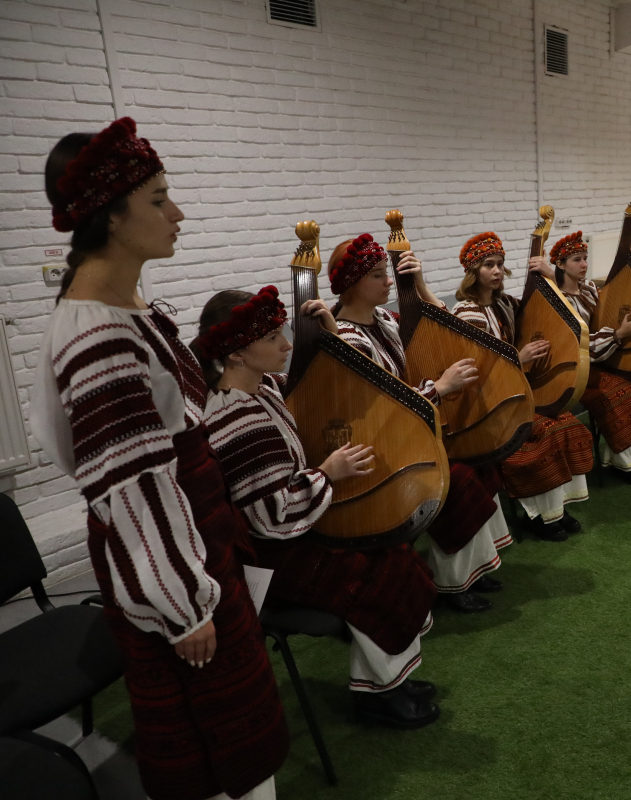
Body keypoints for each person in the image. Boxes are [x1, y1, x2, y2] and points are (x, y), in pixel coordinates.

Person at [31, 118, 287, 800]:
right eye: (158, 199)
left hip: (196, 546)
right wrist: (182, 606)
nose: (177, 213)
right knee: (217, 749)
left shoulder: (123, 308)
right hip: (177, 572)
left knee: (235, 735)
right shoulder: (100, 336)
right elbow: (130, 485)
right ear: (111, 217)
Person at [194, 286, 441, 728]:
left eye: (281, 332)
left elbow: (334, 386)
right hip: (274, 556)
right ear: (235, 354)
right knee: (382, 572)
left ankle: (391, 678)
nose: (287, 344)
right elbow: (269, 517)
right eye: (271, 338)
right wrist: (327, 472)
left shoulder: (265, 388)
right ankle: (378, 696)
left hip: (302, 528)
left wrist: (331, 333)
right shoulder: (234, 419)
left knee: (395, 552)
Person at [328, 234, 511, 614]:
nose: (388, 281)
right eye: (378, 275)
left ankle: (472, 568)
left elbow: (441, 322)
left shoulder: (382, 318)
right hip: (380, 448)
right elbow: (381, 406)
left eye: (387, 273)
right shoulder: (347, 338)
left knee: (481, 463)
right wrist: (439, 388)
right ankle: (451, 583)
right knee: (458, 481)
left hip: (409, 434)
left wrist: (420, 284)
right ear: (350, 284)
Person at [452, 232, 594, 540]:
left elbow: (547, 310)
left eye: (500, 264)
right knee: (544, 433)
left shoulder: (506, 305)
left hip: (517, 392)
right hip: (488, 404)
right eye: (488, 265)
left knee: (566, 422)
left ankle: (556, 508)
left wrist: (550, 276)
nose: (497, 271)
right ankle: (539, 516)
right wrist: (520, 356)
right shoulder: (466, 313)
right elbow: (475, 369)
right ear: (473, 272)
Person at [552, 231, 631, 484]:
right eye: (576, 259)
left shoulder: (588, 290)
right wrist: (618, 335)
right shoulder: (556, 301)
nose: (584, 264)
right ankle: (626, 464)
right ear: (560, 265)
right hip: (578, 370)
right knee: (620, 394)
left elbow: (609, 306)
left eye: (585, 258)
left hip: (603, 360)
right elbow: (579, 345)